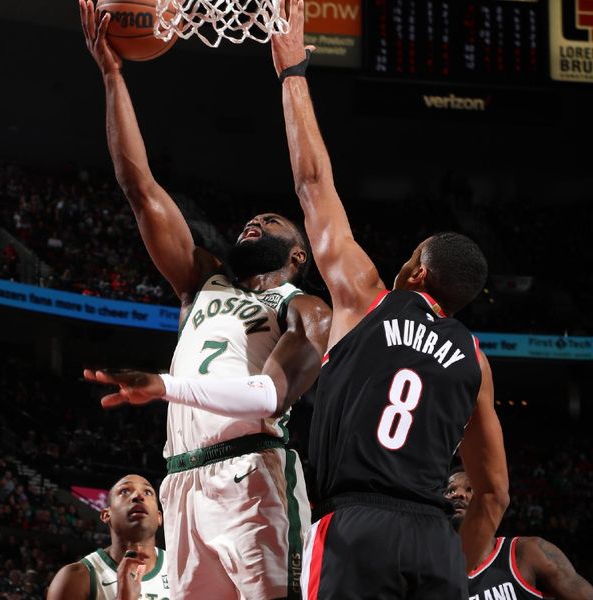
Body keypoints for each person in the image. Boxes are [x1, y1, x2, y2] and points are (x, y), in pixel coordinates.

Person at [80, 2, 332, 597]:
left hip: (254, 477)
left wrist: (163, 384)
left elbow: (268, 395)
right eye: (250, 218)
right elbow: (139, 187)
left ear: (298, 255)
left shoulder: (304, 307)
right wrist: (113, 77)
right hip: (181, 483)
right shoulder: (202, 282)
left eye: (271, 222)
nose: (253, 223)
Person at [269, 1, 510, 597]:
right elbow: (495, 492)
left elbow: (312, 185)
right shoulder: (475, 361)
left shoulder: (365, 297)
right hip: (433, 540)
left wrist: (292, 75)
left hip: (356, 524)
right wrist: (456, 565)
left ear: (418, 269)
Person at [445, 469, 593, 600]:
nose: (458, 494)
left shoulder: (530, 552)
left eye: (470, 489)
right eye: (450, 490)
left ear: (487, 500)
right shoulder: (433, 576)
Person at [46, 474, 169, 600]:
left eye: (147, 492)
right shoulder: (74, 579)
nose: (138, 496)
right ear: (106, 515)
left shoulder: (181, 568)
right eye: (125, 491)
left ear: (159, 517)